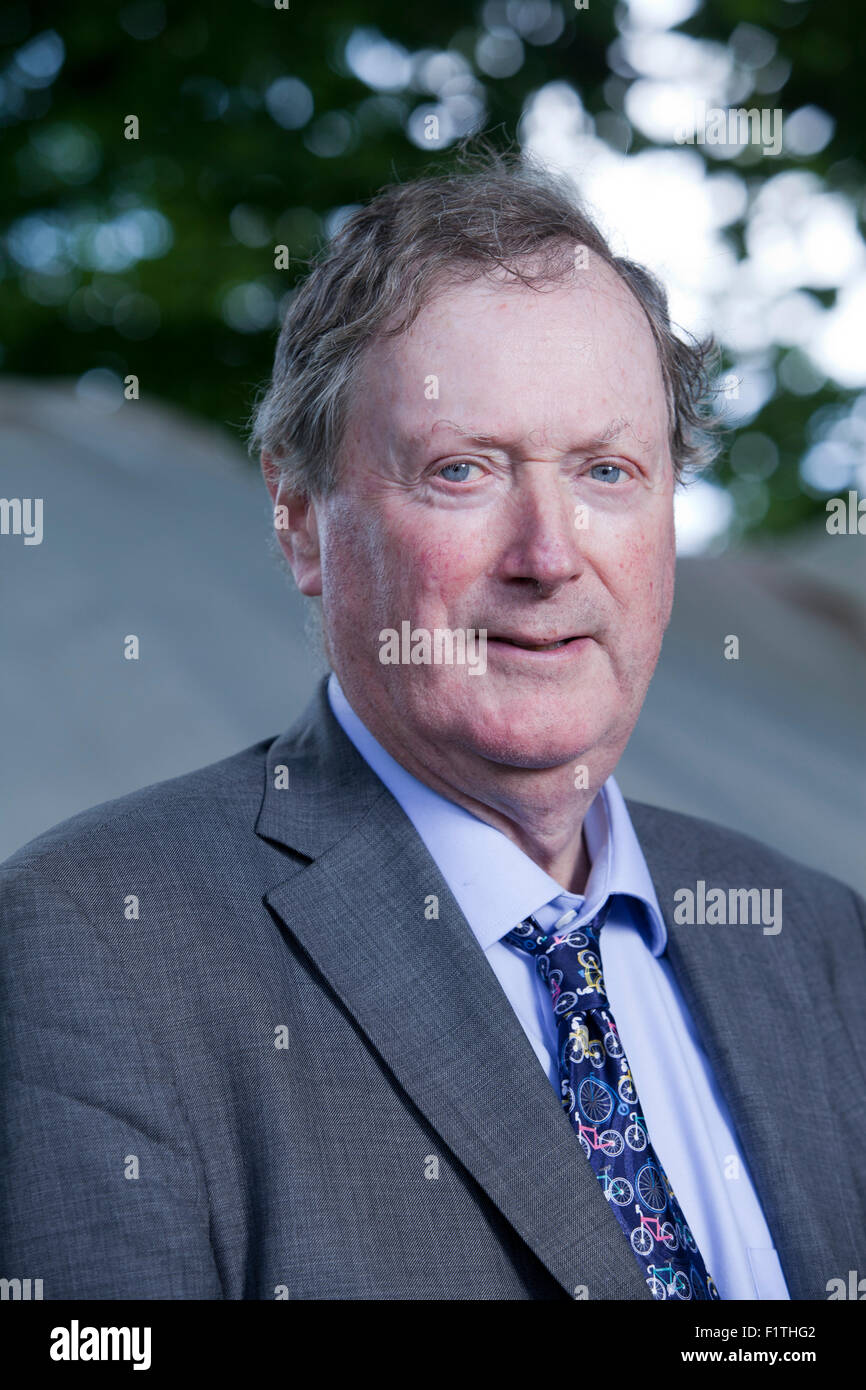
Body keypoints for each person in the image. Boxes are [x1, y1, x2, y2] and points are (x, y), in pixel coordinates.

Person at [2, 150, 864, 1302]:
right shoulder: (92, 943)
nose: (549, 556)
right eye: (463, 470)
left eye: (607, 471)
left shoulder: (814, 938)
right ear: (301, 523)